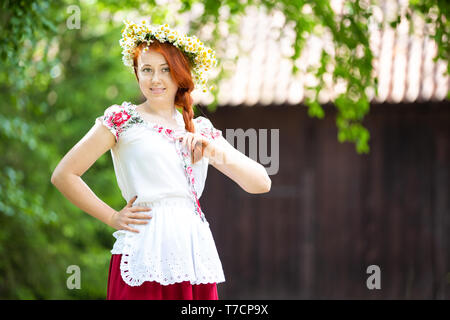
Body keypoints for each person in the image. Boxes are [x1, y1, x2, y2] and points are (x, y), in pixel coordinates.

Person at [51, 20, 271, 300]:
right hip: (144, 251)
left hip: (192, 253)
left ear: (180, 75)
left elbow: (260, 183)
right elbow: (64, 174)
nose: (155, 79)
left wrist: (212, 150)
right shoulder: (122, 120)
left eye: (165, 70)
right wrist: (112, 217)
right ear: (136, 74)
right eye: (147, 70)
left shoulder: (200, 129)